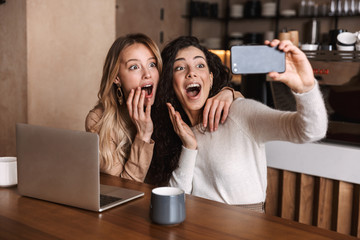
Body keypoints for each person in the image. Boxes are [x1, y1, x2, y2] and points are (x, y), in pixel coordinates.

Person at [152, 36, 328, 212]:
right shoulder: (174, 130)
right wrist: (189, 147)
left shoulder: (240, 112)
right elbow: (174, 201)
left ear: (210, 79)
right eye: (180, 67)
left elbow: (311, 131)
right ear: (171, 83)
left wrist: (305, 88)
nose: (191, 72)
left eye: (200, 65)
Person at [86, 33, 241, 183]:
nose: (147, 74)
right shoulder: (100, 120)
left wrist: (229, 93)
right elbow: (122, 191)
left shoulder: (169, 103)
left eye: (152, 64)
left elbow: (235, 103)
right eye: (134, 67)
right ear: (116, 78)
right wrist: (143, 136)